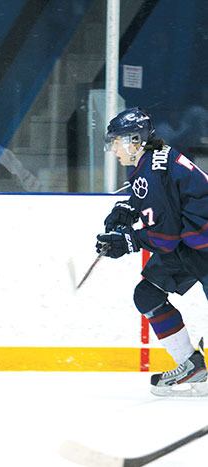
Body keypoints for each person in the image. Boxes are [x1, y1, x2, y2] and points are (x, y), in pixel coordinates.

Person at [95, 107, 208, 397]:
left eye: (117, 142)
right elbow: (163, 194)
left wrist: (129, 242)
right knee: (147, 294)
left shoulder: (150, 166)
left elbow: (165, 238)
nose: (114, 150)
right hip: (193, 244)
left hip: (197, 243)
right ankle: (190, 365)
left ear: (135, 140)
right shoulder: (155, 150)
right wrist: (130, 206)